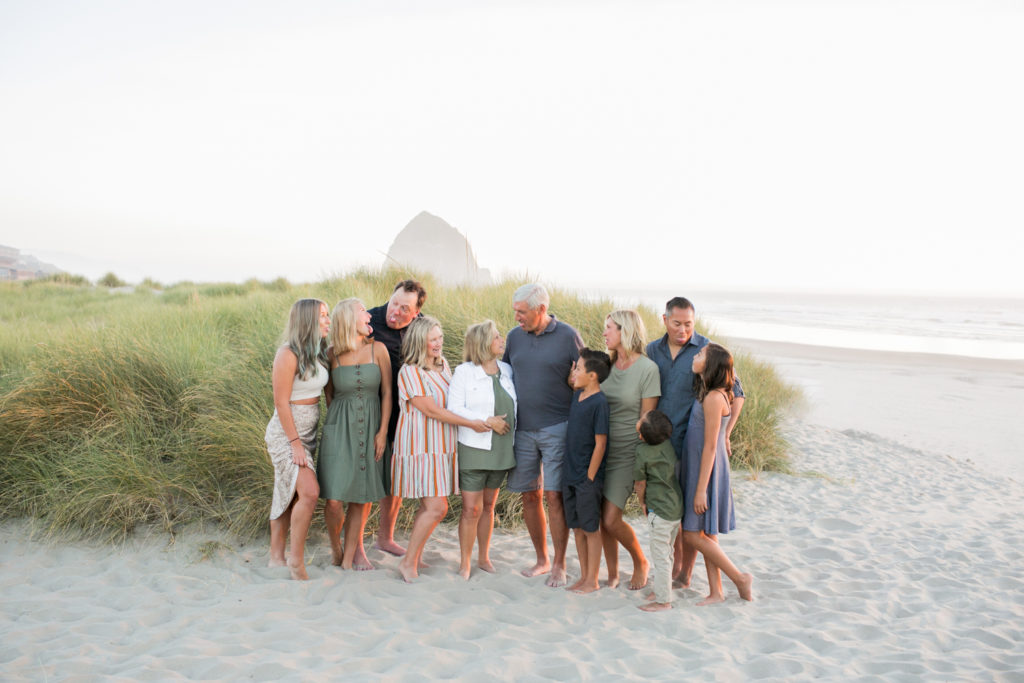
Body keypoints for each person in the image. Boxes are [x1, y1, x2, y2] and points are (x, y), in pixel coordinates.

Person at [645, 296, 745, 587]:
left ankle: (684, 573)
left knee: (693, 517)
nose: (683, 330)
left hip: (694, 449)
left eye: (689, 324)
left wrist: (725, 433)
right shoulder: (653, 349)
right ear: (665, 320)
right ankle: (676, 568)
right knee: (670, 514)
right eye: (677, 323)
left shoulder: (706, 349)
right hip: (663, 446)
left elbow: (736, 393)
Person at [391, 316, 493, 582]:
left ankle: (415, 557)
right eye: (432, 339)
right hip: (421, 446)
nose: (438, 344)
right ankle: (408, 562)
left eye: (440, 338)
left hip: (442, 445)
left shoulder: (443, 365)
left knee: (430, 506)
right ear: (419, 341)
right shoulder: (410, 372)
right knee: (437, 508)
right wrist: (471, 423)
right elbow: (432, 411)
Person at [503, 283, 583, 588]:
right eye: (515, 312)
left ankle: (560, 563)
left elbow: (588, 374)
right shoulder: (513, 337)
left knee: (554, 495)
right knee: (530, 494)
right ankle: (542, 559)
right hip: (523, 428)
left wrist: (576, 381)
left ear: (540, 309)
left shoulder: (567, 336)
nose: (517, 318)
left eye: (522, 312)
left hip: (557, 427)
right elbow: (505, 376)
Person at [317, 298, 392, 570]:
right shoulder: (331, 354)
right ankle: (335, 546)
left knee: (361, 494)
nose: (369, 317)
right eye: (364, 312)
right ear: (349, 317)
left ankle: (349, 557)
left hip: (371, 427)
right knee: (335, 499)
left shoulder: (379, 350)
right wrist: (341, 426)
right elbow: (330, 397)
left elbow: (387, 394)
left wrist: (382, 431)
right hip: (339, 429)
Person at [681, 343, 754, 605]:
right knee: (708, 533)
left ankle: (739, 578)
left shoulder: (713, 398)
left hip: (706, 469)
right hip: (701, 465)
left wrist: (701, 489)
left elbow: (711, 446)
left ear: (710, 366)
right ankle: (716, 591)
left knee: (691, 534)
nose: (695, 356)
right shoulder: (709, 392)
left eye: (700, 355)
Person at [264, 298, 330, 581]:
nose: (328, 320)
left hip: (308, 435)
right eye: (323, 316)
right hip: (285, 434)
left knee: (289, 490)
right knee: (310, 491)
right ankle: (296, 562)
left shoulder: (319, 352)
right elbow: (281, 402)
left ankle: (275, 556)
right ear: (308, 321)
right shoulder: (287, 354)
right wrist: (294, 444)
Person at [447, 320, 516, 580]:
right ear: (483, 342)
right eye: (497, 337)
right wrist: (488, 421)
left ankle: (484, 557)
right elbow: (455, 408)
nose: (502, 340)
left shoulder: (507, 370)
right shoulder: (464, 371)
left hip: (501, 449)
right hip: (474, 448)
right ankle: (465, 562)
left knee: (488, 506)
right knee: (470, 510)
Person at [368, 279, 427, 557]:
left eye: (405, 309)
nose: (395, 312)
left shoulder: (422, 327)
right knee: (369, 474)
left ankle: (385, 538)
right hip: (373, 409)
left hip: (406, 413)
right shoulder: (369, 320)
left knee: (395, 477)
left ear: (416, 312)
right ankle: (355, 541)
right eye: (394, 303)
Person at [600, 309, 659, 590]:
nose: (605, 333)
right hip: (600, 450)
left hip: (627, 452)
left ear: (625, 331)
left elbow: (647, 422)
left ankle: (640, 561)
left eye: (609, 327)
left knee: (612, 519)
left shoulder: (647, 369)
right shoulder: (607, 365)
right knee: (603, 519)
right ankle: (612, 574)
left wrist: (641, 470)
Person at [563, 348, 611, 595]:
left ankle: (592, 579)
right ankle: (583, 576)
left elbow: (600, 443)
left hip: (586, 478)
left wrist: (590, 477)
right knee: (577, 528)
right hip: (569, 474)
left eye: (579, 369)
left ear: (593, 376)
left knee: (591, 529)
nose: (575, 373)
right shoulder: (578, 396)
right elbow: (573, 381)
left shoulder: (600, 403)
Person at [633, 409, 683, 611]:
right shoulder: (668, 444)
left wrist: (642, 503)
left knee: (660, 555)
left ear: (643, 436)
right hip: (675, 507)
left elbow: (640, 483)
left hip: (659, 511)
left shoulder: (642, 451)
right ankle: (664, 590)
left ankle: (663, 601)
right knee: (667, 552)